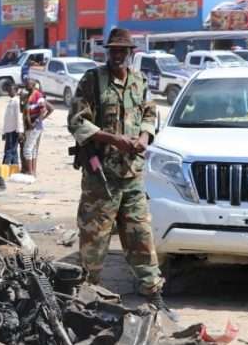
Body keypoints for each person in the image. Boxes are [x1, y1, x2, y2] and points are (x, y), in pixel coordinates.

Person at [67, 27, 171, 313]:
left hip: (132, 175)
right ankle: (87, 300)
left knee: (141, 237)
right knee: (94, 242)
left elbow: (150, 114)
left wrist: (143, 138)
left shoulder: (139, 82)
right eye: (112, 50)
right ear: (106, 52)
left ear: (130, 53)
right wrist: (113, 139)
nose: (116, 55)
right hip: (101, 178)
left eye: (122, 51)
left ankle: (153, 295)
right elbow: (77, 121)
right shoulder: (92, 81)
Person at [22, 77, 52, 176]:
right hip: (28, 126)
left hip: (34, 127)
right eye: (26, 83)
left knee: (27, 149)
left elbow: (44, 110)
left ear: (33, 85)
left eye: (28, 84)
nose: (25, 85)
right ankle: (33, 172)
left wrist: (37, 122)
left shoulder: (38, 95)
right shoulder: (28, 95)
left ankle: (30, 172)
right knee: (33, 149)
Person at [2, 83, 23, 166]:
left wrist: (20, 131)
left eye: (11, 90)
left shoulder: (16, 102)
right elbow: (7, 119)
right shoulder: (10, 102)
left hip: (14, 130)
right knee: (13, 151)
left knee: (9, 150)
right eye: (8, 90)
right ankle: (15, 168)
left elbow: (19, 117)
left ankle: (5, 166)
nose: (9, 92)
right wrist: (4, 132)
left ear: (16, 91)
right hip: (8, 130)